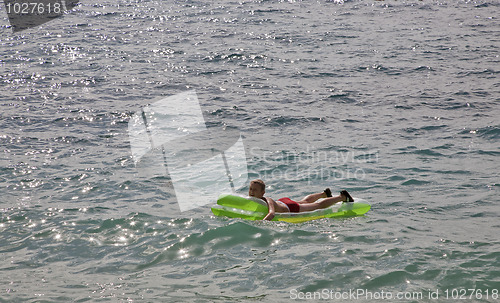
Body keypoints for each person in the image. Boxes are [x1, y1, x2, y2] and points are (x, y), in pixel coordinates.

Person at [248, 179, 354, 221]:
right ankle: (324, 194)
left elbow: (272, 213)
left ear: (262, 193)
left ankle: (342, 197)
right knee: (305, 202)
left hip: (289, 208)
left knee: (317, 206)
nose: (252, 192)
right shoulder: (253, 199)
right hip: (282, 202)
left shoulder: (267, 199)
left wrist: (261, 223)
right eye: (250, 189)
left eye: (255, 190)